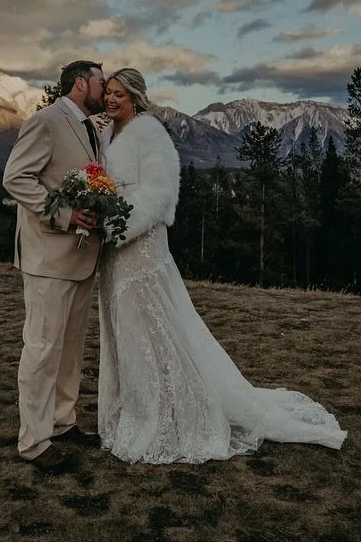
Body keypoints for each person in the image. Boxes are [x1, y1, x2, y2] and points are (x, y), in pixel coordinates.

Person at [96, 68, 348, 464]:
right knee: (125, 329)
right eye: (107, 92)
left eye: (119, 95)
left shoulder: (149, 134)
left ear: (135, 98)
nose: (111, 99)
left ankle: (169, 413)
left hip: (140, 245)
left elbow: (160, 194)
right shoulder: (107, 134)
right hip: (113, 250)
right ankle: (135, 408)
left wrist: (119, 226)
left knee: (154, 326)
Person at [2, 59, 111, 471]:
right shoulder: (46, 121)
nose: (106, 88)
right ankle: (33, 442)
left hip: (82, 258)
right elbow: (16, 178)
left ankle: (63, 422)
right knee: (43, 349)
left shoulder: (91, 127)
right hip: (49, 256)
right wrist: (65, 215)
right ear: (81, 84)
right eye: (102, 82)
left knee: (70, 348)